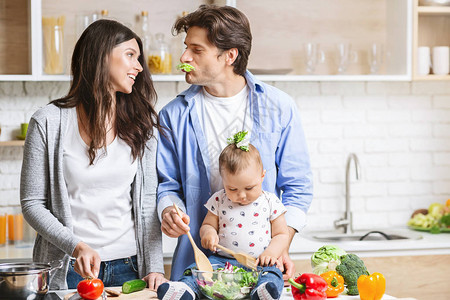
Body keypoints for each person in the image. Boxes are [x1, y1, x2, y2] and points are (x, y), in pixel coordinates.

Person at [157, 4, 313, 282]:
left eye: (197, 50)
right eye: (186, 47)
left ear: (230, 55)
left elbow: (298, 187)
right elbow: (167, 185)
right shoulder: (174, 115)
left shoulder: (279, 107)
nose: (184, 57)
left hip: (260, 262)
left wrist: (281, 243)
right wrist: (169, 209)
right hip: (199, 262)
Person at [20, 19, 166, 290]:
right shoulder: (48, 122)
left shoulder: (142, 123)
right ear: (101, 55)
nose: (139, 66)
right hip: (70, 269)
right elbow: (32, 204)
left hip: (130, 267)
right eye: (130, 55)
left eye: (139, 58)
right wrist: (77, 247)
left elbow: (147, 203)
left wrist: (155, 266)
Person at [157, 131, 289, 300]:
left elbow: (281, 234)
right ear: (224, 180)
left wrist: (271, 252)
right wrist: (209, 234)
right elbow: (208, 225)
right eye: (232, 189)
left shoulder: (271, 202)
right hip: (222, 262)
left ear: (262, 175)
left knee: (273, 273)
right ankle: (184, 289)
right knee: (197, 270)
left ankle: (262, 291)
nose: (241, 195)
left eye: (249, 188)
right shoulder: (219, 199)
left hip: (258, 263)